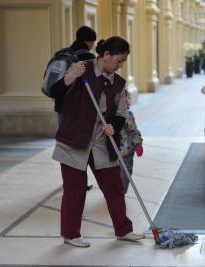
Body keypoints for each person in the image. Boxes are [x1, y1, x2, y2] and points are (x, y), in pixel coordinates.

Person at [50, 36, 144, 247]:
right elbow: (56, 95)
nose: (120, 66)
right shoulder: (81, 70)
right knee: (75, 190)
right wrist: (70, 76)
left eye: (123, 62)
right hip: (75, 139)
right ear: (106, 54)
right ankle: (71, 234)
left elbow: (121, 112)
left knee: (114, 187)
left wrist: (114, 126)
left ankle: (123, 230)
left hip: (102, 142)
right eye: (118, 60)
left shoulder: (118, 82)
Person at [55, 26, 97, 125]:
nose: (93, 45)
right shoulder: (88, 57)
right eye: (93, 42)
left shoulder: (61, 53)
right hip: (78, 104)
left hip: (61, 102)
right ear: (88, 41)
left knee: (63, 136)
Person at [120, 96, 143, 193]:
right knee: (126, 171)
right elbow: (133, 131)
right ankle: (122, 191)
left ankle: (116, 191)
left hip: (114, 150)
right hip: (127, 150)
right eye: (127, 98)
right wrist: (138, 144)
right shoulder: (127, 114)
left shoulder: (108, 114)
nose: (129, 100)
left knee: (117, 172)